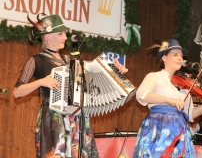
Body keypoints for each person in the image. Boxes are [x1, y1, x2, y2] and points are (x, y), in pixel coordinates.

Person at [13, 13, 127, 158]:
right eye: (60, 34)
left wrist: (116, 70)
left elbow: (92, 81)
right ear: (47, 36)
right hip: (53, 118)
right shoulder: (36, 60)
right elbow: (17, 92)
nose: (65, 38)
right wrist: (41, 82)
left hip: (77, 117)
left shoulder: (71, 61)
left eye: (65, 34)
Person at [132, 39, 202, 158]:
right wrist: (169, 100)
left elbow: (190, 114)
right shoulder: (154, 76)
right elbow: (141, 94)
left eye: (181, 56)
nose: (180, 58)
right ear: (164, 57)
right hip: (159, 126)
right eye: (175, 55)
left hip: (179, 129)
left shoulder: (184, 87)